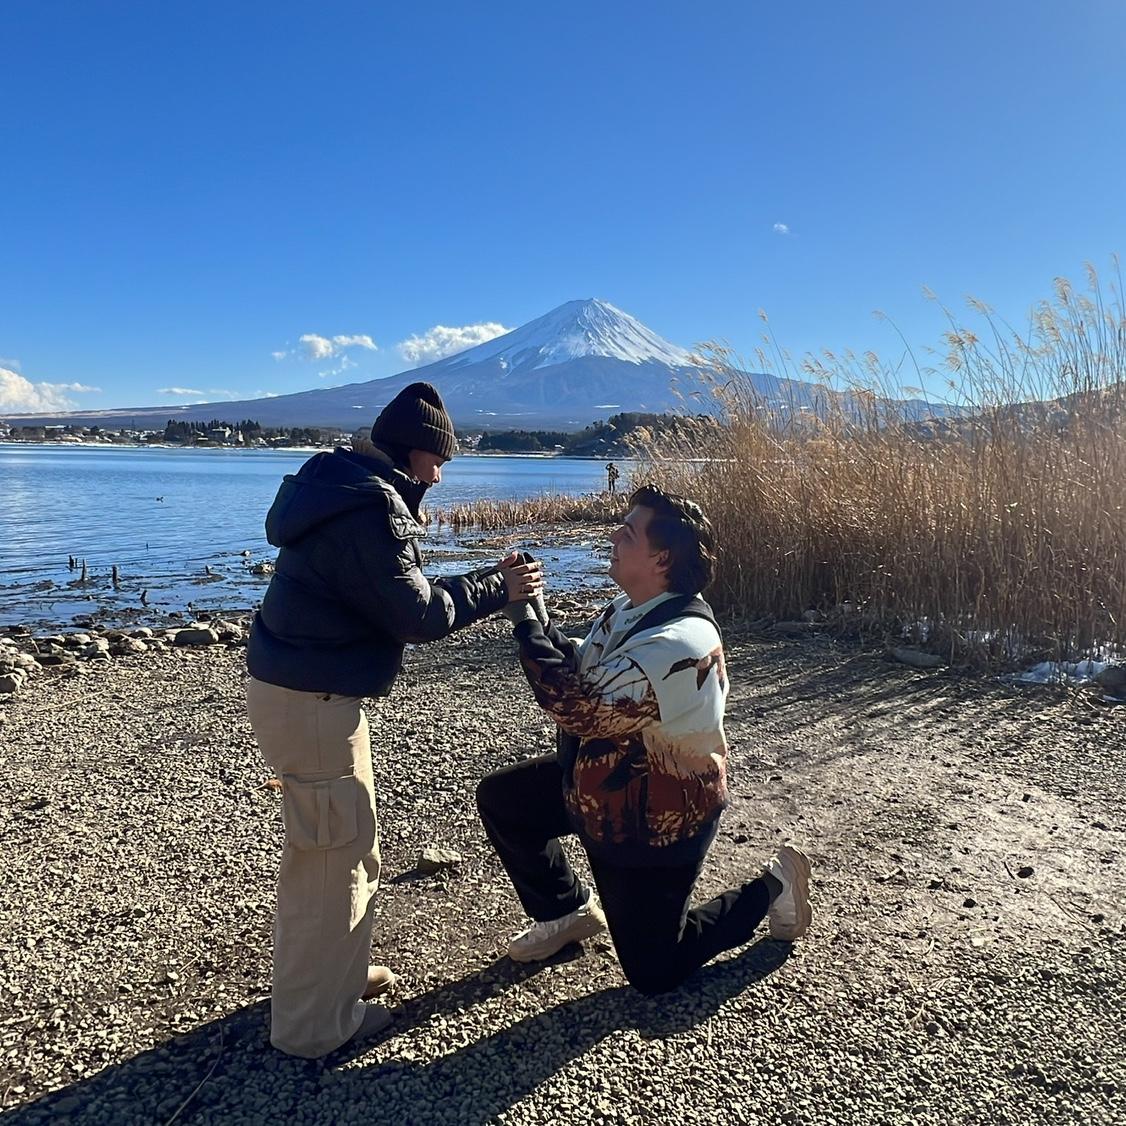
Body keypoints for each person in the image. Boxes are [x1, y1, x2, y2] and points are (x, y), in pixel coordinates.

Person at [246, 382, 540, 1057]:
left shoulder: (343, 486)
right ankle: (314, 1026)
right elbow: (416, 615)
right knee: (330, 863)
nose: (439, 477)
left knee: (340, 850)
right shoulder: (369, 508)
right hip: (314, 703)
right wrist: (499, 587)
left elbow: (398, 595)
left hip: (307, 695)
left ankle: (333, 982)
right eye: (437, 462)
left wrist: (483, 581)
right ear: (411, 452)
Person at [476, 484, 811, 996]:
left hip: (654, 821)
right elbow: (584, 668)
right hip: (597, 789)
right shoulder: (631, 607)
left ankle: (774, 885)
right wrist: (538, 610)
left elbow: (578, 708)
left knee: (654, 972)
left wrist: (522, 621)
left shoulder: (680, 643)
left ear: (661, 558)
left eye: (628, 532)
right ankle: (566, 912)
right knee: (504, 800)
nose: (614, 535)